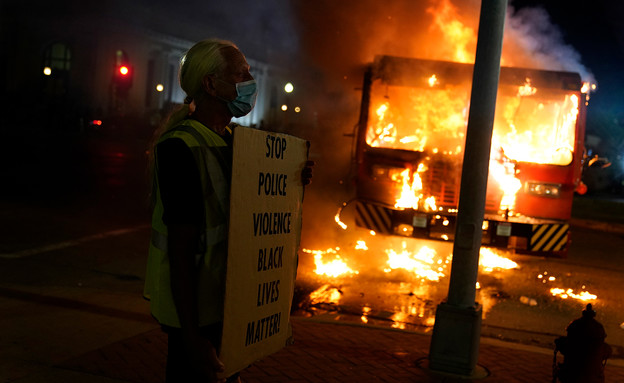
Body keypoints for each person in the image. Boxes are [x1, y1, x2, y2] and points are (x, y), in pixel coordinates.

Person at [143, 38, 312, 383]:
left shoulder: (237, 141)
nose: (250, 80)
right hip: (195, 315)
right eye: (241, 73)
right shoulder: (180, 147)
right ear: (210, 84)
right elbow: (181, 249)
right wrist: (191, 337)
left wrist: (292, 177)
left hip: (224, 304)